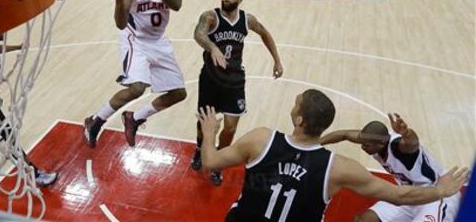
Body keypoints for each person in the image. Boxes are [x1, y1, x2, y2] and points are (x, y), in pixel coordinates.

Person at [196, 90, 468, 222]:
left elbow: (209, 162)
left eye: (295, 104)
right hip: (412, 192)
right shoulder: (340, 168)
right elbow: (399, 196)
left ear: (299, 119)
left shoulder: (260, 138)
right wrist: (317, 146)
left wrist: (209, 133)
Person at [83, 0, 187, 148]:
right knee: (137, 88)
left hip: (158, 41)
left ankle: (135, 118)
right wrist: (119, 0)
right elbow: (120, 24)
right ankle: (95, 121)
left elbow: (177, 4)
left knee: (178, 94)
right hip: (135, 40)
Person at [191, 0, 284, 186]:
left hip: (234, 81)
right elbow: (199, 34)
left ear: (240, 0)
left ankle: (217, 163)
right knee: (204, 125)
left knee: (230, 128)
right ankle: (200, 149)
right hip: (210, 79)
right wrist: (212, 47)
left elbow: (265, 33)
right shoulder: (210, 17)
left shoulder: (246, 20)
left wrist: (276, 60)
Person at [320, 113, 463, 221]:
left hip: (438, 193)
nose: (362, 147)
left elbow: (412, 144)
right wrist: (315, 145)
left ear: (380, 144)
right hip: (409, 195)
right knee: (364, 220)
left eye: (366, 145)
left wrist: (407, 133)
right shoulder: (374, 139)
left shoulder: (399, 148)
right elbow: (343, 134)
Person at [0, 34, 57, 187]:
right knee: (9, 134)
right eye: (1, 29)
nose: (5, 32)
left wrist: (18, 47)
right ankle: (34, 174)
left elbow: (0, 49)